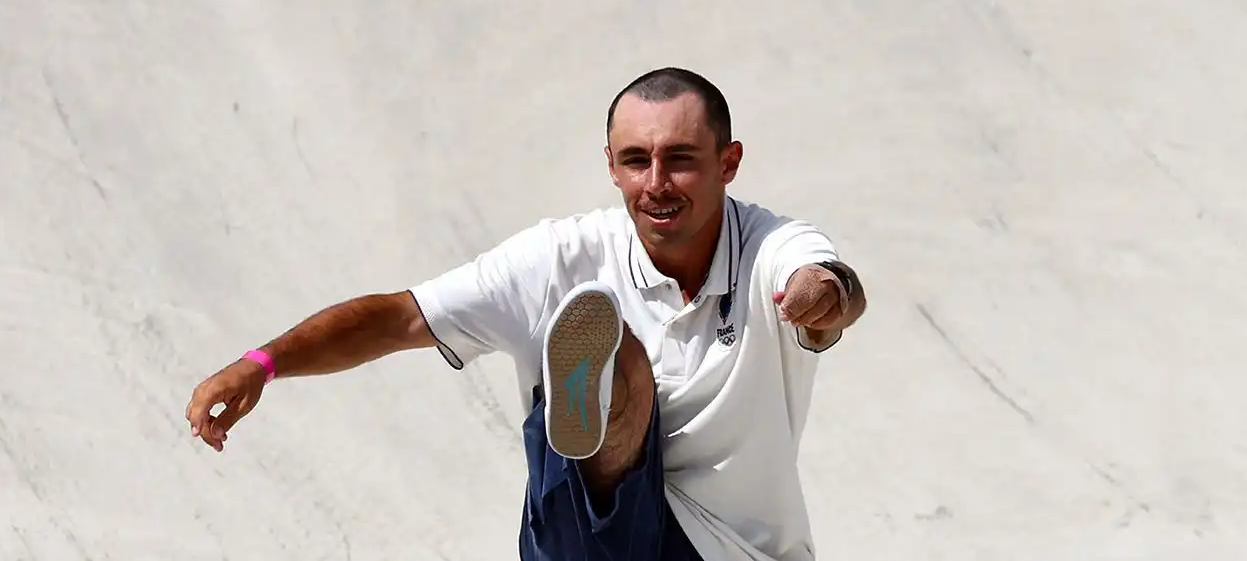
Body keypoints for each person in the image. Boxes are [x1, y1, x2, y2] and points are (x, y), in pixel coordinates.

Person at [185, 67, 866, 561]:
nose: (656, 183)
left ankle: (595, 384)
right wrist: (262, 364)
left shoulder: (773, 246)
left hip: (725, 550)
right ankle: (593, 389)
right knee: (613, 347)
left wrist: (819, 299)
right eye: (636, 161)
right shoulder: (560, 256)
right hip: (585, 539)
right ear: (611, 166)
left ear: (729, 163)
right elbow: (398, 318)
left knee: (610, 351)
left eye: (681, 161)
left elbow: (832, 286)